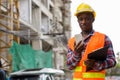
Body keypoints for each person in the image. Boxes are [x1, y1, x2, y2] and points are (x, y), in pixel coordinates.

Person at [67, 3, 116, 80]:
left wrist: (96, 64)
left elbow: (112, 61)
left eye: (87, 19)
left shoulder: (104, 38)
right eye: (81, 19)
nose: (83, 22)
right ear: (78, 21)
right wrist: (76, 54)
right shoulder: (72, 41)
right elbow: (69, 66)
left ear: (93, 19)